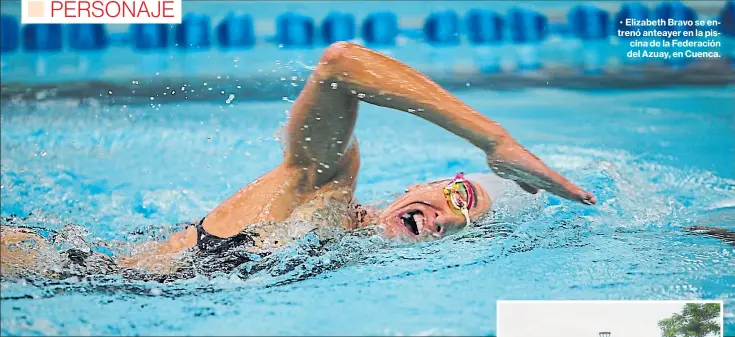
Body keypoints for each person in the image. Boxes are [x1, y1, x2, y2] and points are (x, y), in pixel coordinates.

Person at [0, 42, 597, 278]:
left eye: (462, 226)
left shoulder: (353, 251)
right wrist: (492, 142)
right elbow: (341, 65)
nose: (443, 217)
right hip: (55, 270)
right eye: (458, 198)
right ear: (427, 182)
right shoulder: (325, 188)